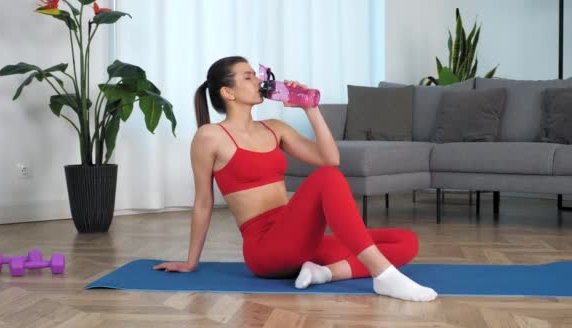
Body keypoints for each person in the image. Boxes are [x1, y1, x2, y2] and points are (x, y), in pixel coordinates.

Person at [153, 56, 437, 302]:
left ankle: (323, 273)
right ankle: (384, 275)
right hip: (266, 248)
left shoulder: (275, 128)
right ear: (228, 92)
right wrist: (191, 262)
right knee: (327, 179)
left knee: (405, 241)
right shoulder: (210, 136)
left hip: (299, 237)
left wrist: (310, 108)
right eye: (248, 76)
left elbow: (330, 157)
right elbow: (203, 201)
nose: (258, 81)